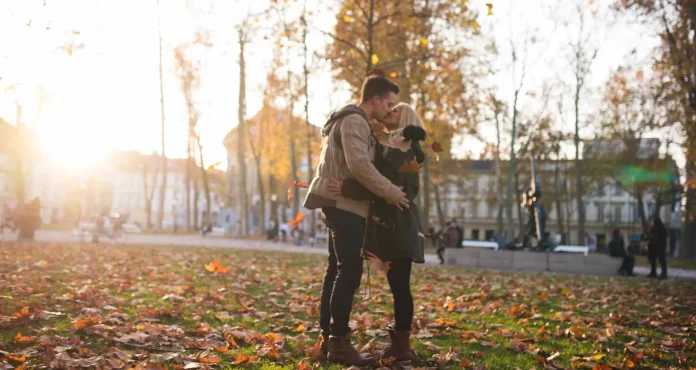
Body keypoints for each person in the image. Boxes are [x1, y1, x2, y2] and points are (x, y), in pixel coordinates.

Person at [303, 75, 408, 366]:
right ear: (374, 99)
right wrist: (391, 193)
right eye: (388, 103)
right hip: (345, 207)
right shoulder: (354, 121)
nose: (389, 109)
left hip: (342, 204)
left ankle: (329, 340)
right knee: (348, 272)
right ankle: (338, 343)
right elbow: (359, 165)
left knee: (336, 271)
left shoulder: (349, 120)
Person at [327, 102, 425, 363]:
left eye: (394, 111)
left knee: (400, 284)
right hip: (389, 223)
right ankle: (400, 344)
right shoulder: (398, 147)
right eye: (389, 108)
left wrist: (348, 188)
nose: (388, 113)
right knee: (398, 285)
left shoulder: (402, 151)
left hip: (397, 224)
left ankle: (402, 346)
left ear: (404, 118)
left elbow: (380, 184)